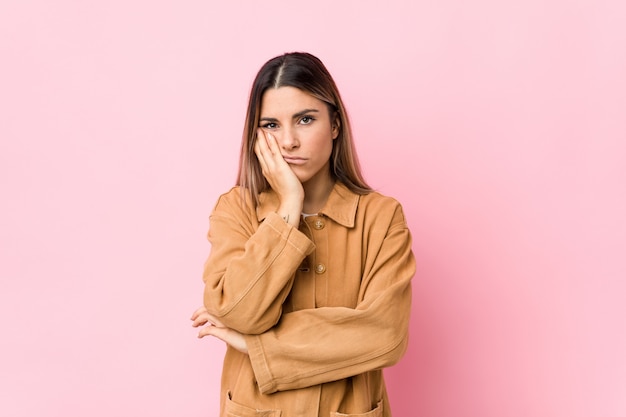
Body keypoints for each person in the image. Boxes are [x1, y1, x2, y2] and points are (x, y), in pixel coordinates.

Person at [191, 52, 415, 417]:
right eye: (271, 125)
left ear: (335, 125)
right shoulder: (236, 210)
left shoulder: (382, 217)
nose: (289, 142)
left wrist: (256, 344)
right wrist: (289, 205)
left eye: (305, 119)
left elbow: (385, 335)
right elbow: (238, 311)